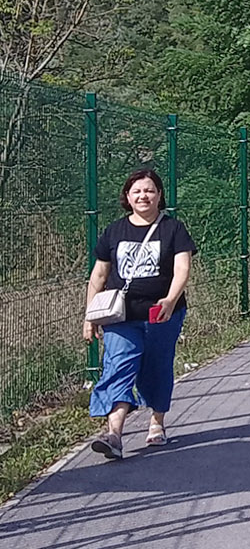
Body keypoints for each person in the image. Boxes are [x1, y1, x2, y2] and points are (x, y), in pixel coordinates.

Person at [82, 168, 197, 458]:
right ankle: (114, 435)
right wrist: (89, 316)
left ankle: (157, 422)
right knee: (118, 366)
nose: (143, 195)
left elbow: (182, 268)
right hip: (121, 316)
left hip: (162, 313)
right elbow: (98, 275)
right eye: (137, 191)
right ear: (127, 197)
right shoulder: (114, 231)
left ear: (159, 195)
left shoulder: (173, 229)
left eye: (149, 190)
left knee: (156, 367)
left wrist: (171, 300)